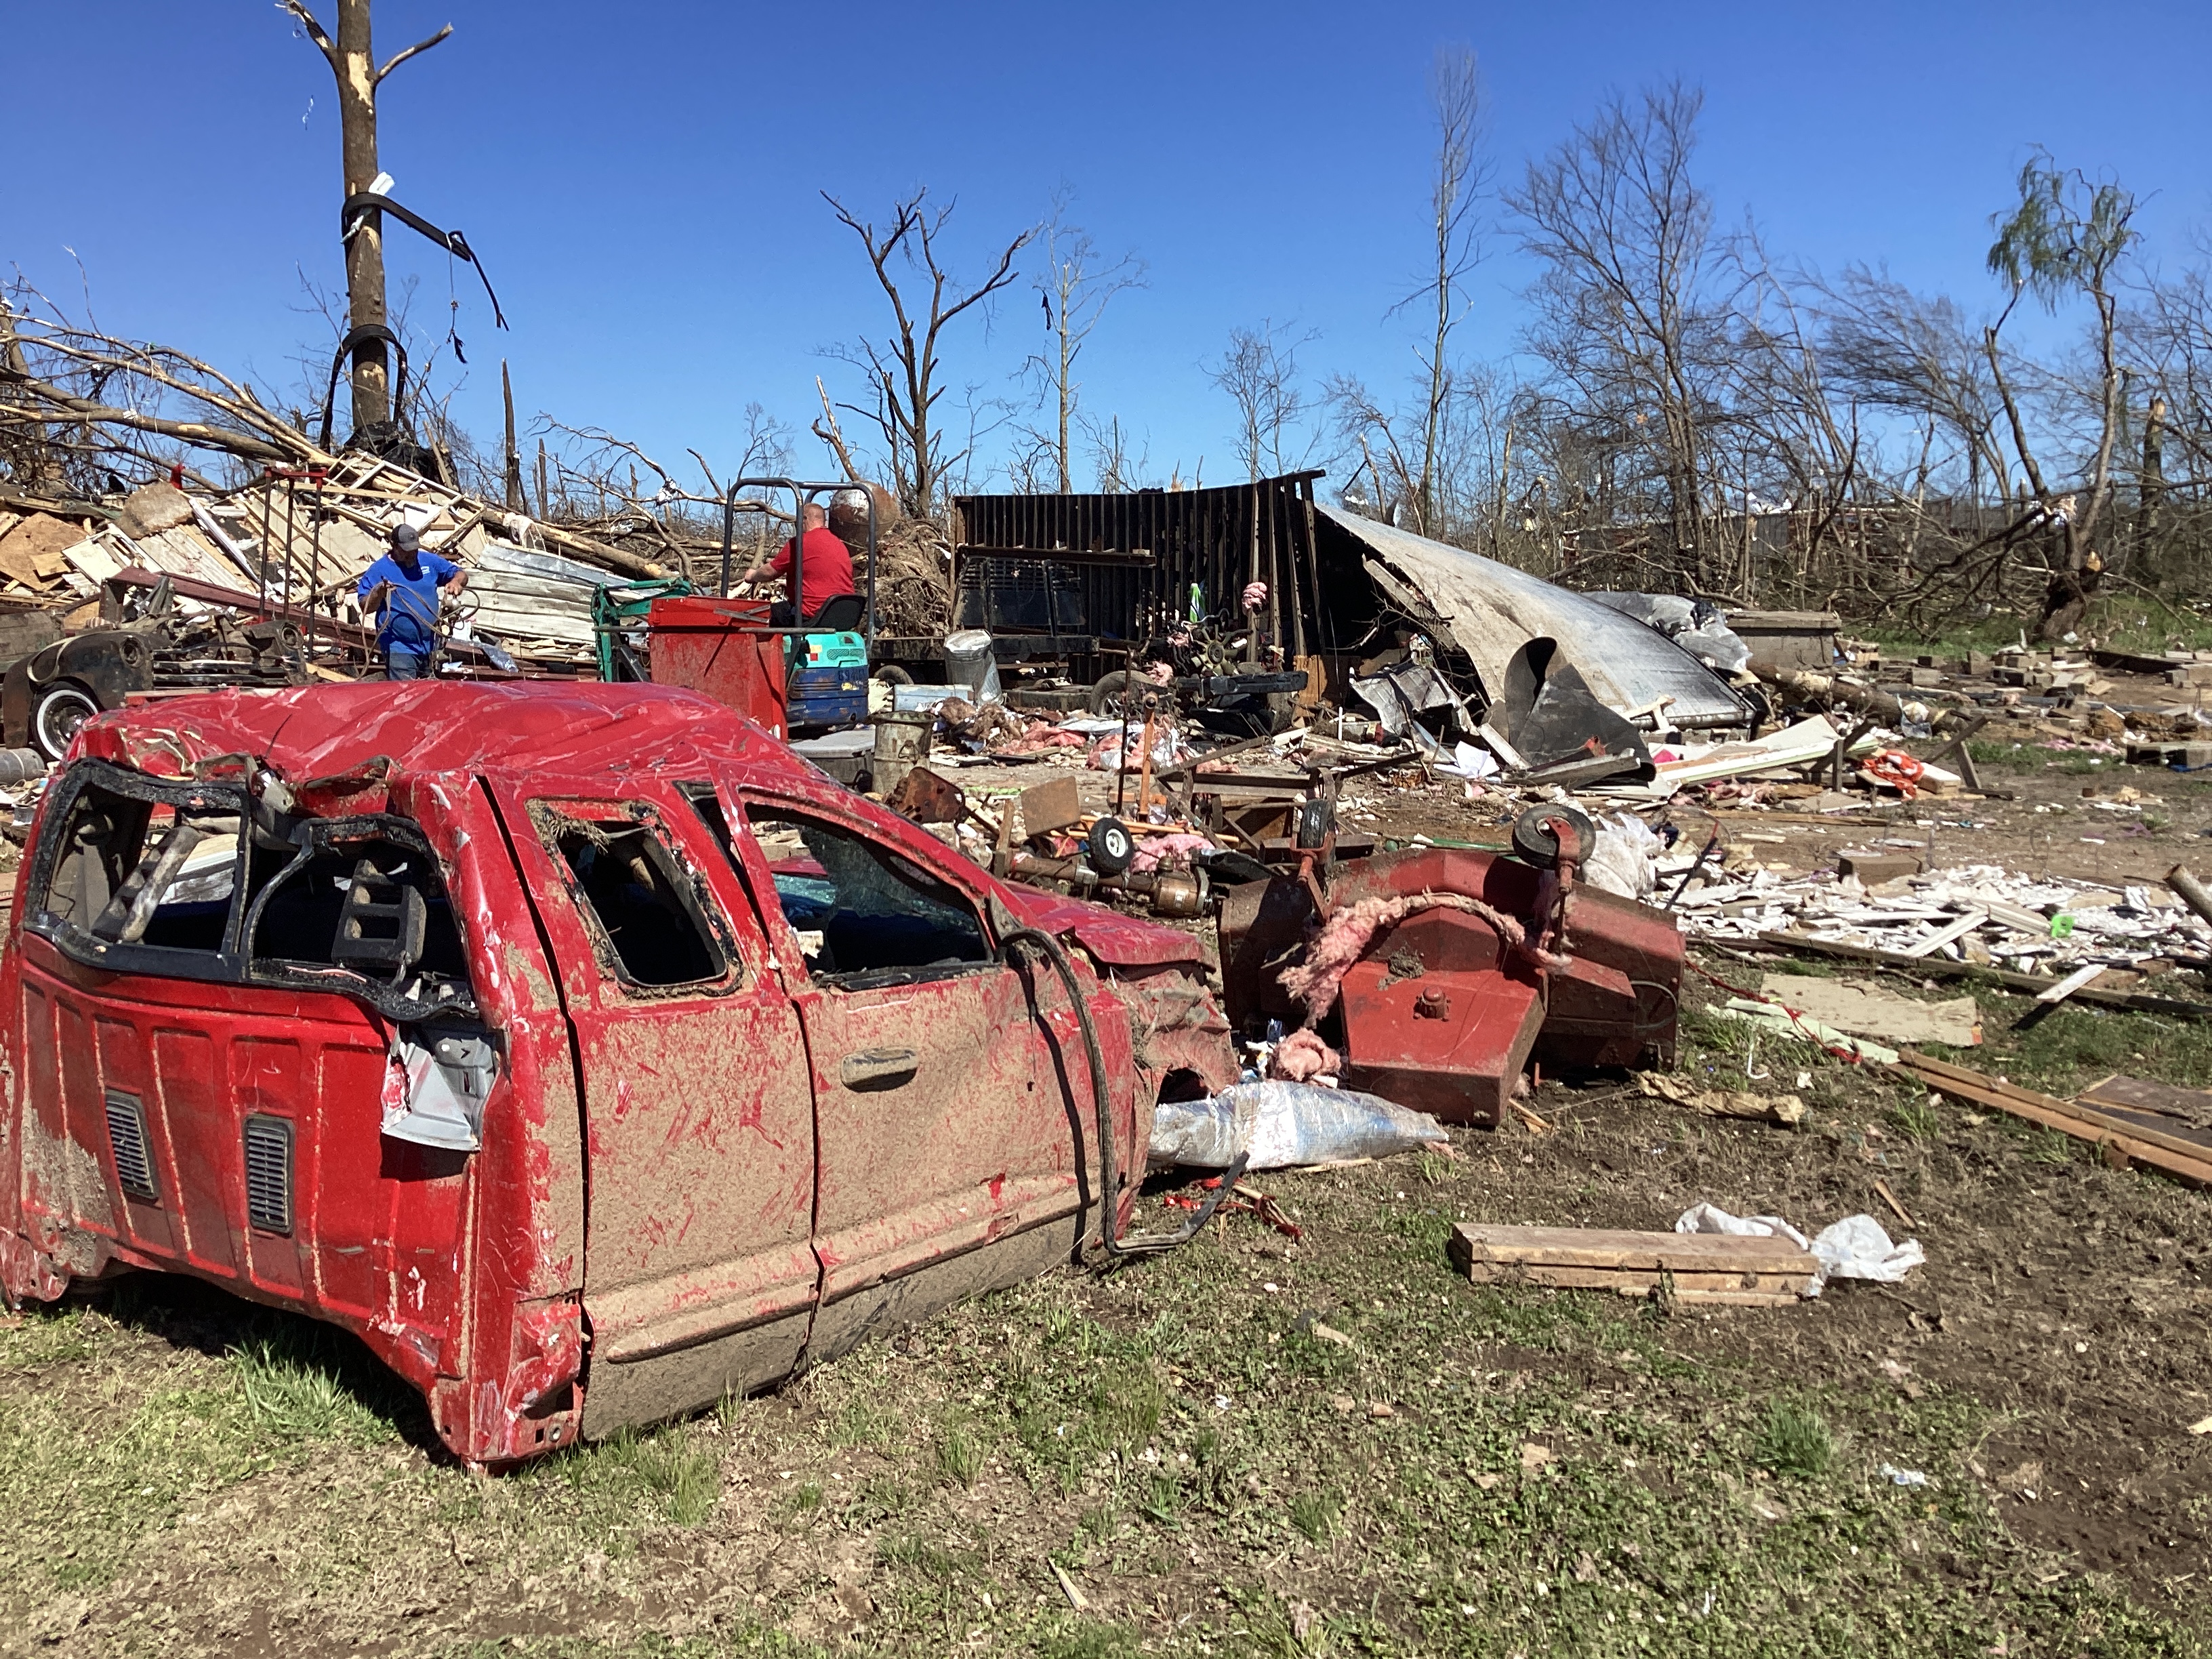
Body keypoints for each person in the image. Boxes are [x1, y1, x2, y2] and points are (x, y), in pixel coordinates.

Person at [357, 524, 467, 680]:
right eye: (406, 551)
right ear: (394, 546)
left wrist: (457, 581)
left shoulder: (428, 561)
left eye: (414, 550)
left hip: (430, 646)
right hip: (399, 648)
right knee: (406, 696)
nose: (412, 555)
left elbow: (460, 574)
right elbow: (365, 606)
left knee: (428, 696)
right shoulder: (379, 570)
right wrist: (378, 593)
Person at [743, 501, 855, 626]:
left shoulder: (799, 543)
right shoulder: (840, 544)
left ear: (804, 519)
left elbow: (770, 572)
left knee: (756, 616)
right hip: (843, 614)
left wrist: (752, 576)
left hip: (812, 614)